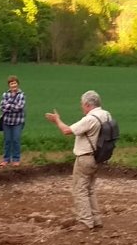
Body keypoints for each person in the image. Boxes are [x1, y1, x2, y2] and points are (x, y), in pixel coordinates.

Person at [43, 90, 113, 231]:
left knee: (79, 190)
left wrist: (57, 120)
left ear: (88, 104)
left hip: (85, 158)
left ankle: (85, 222)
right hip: (99, 157)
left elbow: (67, 131)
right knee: (90, 189)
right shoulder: (106, 115)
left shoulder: (90, 119)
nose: (81, 107)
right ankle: (96, 219)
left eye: (82, 104)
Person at [0, 75, 27, 167]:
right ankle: (6, 159)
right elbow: (2, 107)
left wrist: (9, 105)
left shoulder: (21, 95)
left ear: (17, 84)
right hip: (6, 121)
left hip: (18, 121)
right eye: (11, 83)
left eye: (15, 83)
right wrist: (12, 106)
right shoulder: (5, 94)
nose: (13, 85)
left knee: (16, 140)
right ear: (9, 85)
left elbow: (19, 107)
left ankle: (16, 159)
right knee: (7, 140)